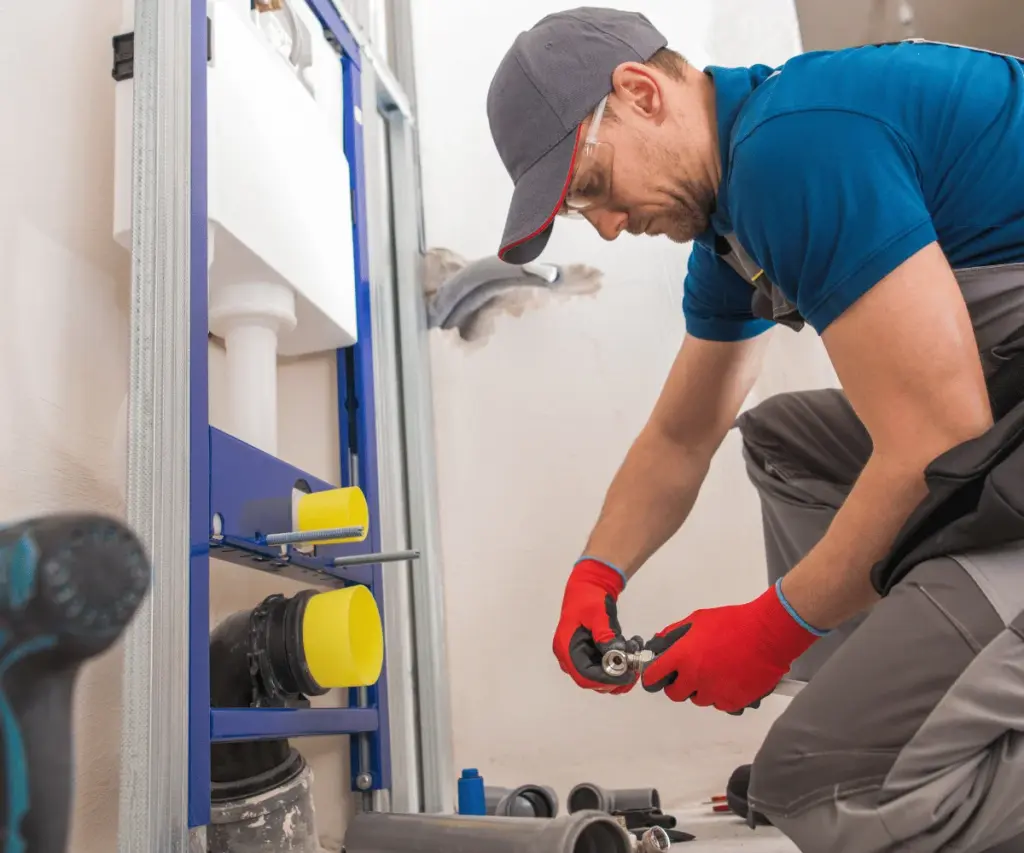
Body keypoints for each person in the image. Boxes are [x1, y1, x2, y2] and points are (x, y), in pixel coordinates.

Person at [485, 8, 1024, 852]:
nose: (609, 226)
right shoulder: (737, 217)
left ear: (639, 93)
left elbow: (936, 442)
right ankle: (896, 696)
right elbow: (682, 435)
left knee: (822, 785)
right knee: (784, 441)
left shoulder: (794, 147)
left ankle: (884, 742)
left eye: (589, 188)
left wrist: (771, 629)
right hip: (1009, 434)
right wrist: (595, 573)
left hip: (988, 441)